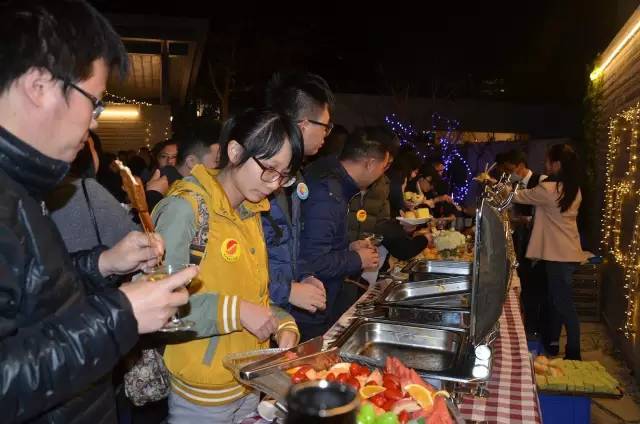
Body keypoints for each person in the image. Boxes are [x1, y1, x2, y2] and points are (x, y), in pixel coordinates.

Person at [0, 1, 195, 422]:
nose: (93, 123)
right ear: (39, 86)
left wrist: (103, 263)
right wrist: (118, 317)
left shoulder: (23, 186)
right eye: (95, 102)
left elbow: (32, 299)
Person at [152, 109, 302, 423]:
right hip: (202, 395)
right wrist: (237, 311)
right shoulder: (185, 210)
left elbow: (251, 294)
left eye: (284, 175)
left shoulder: (249, 211)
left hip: (248, 381)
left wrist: (281, 323)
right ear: (234, 152)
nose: (274, 184)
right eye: (269, 169)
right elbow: (158, 307)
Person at [297, 127, 396, 340]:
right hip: (311, 307)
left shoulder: (334, 183)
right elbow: (312, 261)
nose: (381, 174)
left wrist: (350, 246)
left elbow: (321, 241)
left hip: (319, 301)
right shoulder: (327, 192)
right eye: (383, 167)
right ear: (370, 163)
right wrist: (356, 259)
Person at [262, 72, 333, 315]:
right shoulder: (259, 178)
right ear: (304, 125)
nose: (326, 135)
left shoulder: (295, 176)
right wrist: (287, 291)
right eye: (325, 126)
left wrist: (304, 275)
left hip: (276, 313)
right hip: (253, 311)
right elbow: (238, 267)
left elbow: (287, 246)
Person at [513, 144, 583, 360]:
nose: (545, 164)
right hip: (568, 252)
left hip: (557, 255)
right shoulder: (572, 188)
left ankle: (574, 352)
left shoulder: (549, 189)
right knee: (559, 302)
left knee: (564, 304)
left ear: (557, 164)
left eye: (548, 161)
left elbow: (519, 196)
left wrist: (494, 187)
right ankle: (556, 343)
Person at [47, 130, 138, 251]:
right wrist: (153, 194)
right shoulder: (87, 189)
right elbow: (137, 241)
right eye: (93, 148)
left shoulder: (44, 188)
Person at [501, 149, 547, 337]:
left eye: (510, 169)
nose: (508, 173)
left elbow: (546, 211)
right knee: (525, 285)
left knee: (536, 287)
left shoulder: (542, 181)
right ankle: (527, 326)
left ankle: (536, 329)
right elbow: (511, 209)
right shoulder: (515, 184)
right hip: (521, 239)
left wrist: (529, 219)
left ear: (520, 166)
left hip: (539, 243)